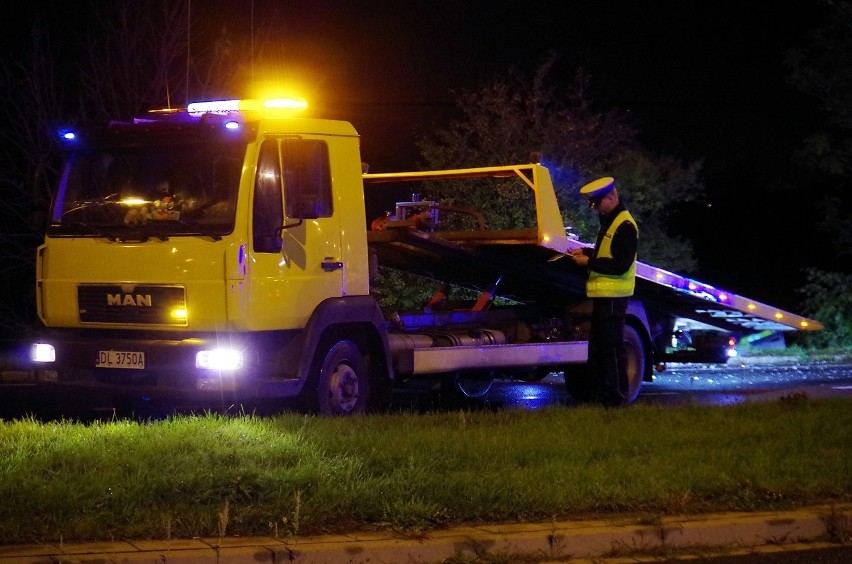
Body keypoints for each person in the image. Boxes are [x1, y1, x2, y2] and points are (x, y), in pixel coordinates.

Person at [566, 177, 638, 405]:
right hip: (604, 297)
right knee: (599, 351)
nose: (595, 208)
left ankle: (617, 400)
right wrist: (586, 251)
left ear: (611, 198)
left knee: (612, 351)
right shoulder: (611, 220)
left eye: (597, 203)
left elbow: (620, 265)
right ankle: (603, 398)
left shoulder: (624, 225)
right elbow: (606, 254)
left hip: (614, 298)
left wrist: (588, 262)